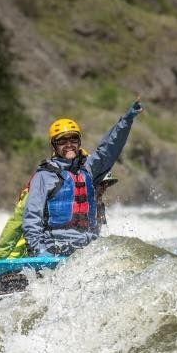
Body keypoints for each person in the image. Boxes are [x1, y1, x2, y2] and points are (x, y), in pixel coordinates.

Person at [22, 98, 143, 257]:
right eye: (62, 141)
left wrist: (126, 121)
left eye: (73, 139)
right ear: (54, 146)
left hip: (88, 249)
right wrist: (40, 250)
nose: (69, 144)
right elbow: (32, 217)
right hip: (55, 247)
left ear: (79, 142)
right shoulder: (44, 176)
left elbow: (109, 148)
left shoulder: (89, 169)